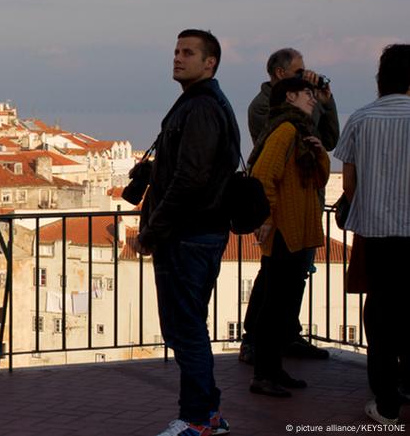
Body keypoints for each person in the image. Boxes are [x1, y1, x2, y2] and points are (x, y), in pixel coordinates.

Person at [135, 29, 240, 436]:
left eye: (188, 52)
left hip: (187, 234)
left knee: (186, 329)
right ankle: (208, 413)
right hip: (199, 232)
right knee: (189, 325)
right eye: (177, 51)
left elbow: (189, 179)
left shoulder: (200, 108)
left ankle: (197, 418)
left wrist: (153, 230)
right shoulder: (206, 103)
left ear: (209, 62)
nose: (178, 58)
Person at [241, 48, 339, 364]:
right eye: (300, 72)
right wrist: (266, 216)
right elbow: (267, 171)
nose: (306, 76)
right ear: (282, 75)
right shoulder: (269, 113)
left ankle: (284, 339)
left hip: (305, 208)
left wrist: (326, 101)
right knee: (273, 283)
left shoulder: (302, 111)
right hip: (283, 213)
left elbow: (329, 140)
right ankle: (257, 346)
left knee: (294, 279)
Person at [334, 44, 410, 425]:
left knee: (381, 315)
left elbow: (348, 184)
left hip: (378, 233)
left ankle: (386, 404)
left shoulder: (362, 118)